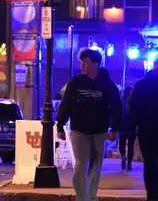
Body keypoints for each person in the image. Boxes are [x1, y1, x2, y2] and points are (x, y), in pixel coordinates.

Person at [56, 48, 122, 201]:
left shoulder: (107, 83)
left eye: (86, 62)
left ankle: (91, 196)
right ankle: (82, 197)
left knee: (95, 166)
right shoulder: (75, 82)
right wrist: (60, 125)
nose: (83, 65)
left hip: (99, 131)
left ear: (96, 64)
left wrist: (115, 128)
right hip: (79, 130)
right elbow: (66, 105)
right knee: (80, 165)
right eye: (82, 62)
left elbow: (117, 106)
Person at [129, 53, 158, 201]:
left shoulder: (146, 83)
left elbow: (133, 105)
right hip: (151, 129)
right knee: (153, 162)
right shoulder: (144, 84)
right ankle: (153, 194)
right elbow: (133, 105)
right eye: (156, 63)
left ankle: (154, 194)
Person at [118, 86, 137, 171]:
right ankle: (129, 163)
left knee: (121, 145)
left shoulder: (120, 101)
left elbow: (116, 113)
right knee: (131, 146)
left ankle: (123, 156)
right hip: (132, 128)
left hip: (122, 127)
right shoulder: (134, 102)